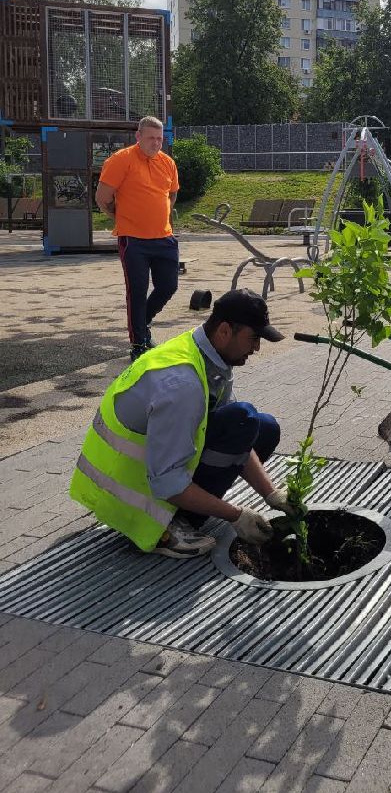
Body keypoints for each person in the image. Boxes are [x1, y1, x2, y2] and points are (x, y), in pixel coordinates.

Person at [70, 288, 291, 559]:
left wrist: (271, 494)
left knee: (261, 426)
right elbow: (167, 483)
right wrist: (236, 515)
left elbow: (237, 434)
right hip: (131, 499)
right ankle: (167, 525)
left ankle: (193, 506)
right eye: (253, 338)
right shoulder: (181, 384)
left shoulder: (208, 357)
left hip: (153, 473)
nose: (256, 348)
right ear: (224, 331)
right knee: (244, 419)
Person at [95, 116, 180, 362]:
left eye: (159, 139)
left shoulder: (168, 163)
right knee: (137, 292)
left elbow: (171, 195)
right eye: (151, 138)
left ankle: (142, 324)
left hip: (164, 237)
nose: (156, 143)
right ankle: (138, 343)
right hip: (134, 241)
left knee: (168, 286)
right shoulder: (121, 160)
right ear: (138, 136)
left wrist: (161, 218)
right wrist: (121, 218)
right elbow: (102, 198)